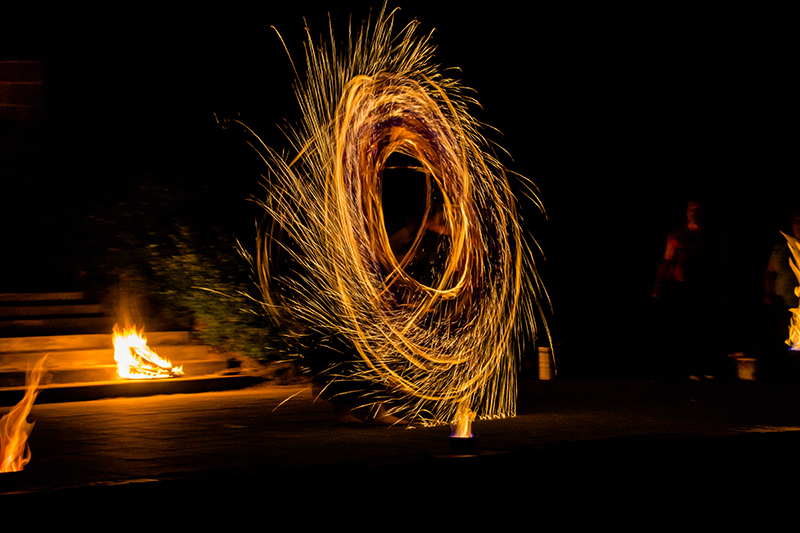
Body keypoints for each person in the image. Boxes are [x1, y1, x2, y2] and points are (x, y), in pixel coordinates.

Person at [652, 200, 721, 380]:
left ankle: (699, 368)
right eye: (690, 208)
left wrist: (720, 288)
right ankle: (673, 369)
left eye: (697, 209)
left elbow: (718, 264)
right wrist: (658, 285)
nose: (693, 212)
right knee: (677, 328)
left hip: (702, 288)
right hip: (679, 287)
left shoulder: (709, 236)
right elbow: (668, 258)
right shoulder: (678, 234)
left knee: (699, 329)